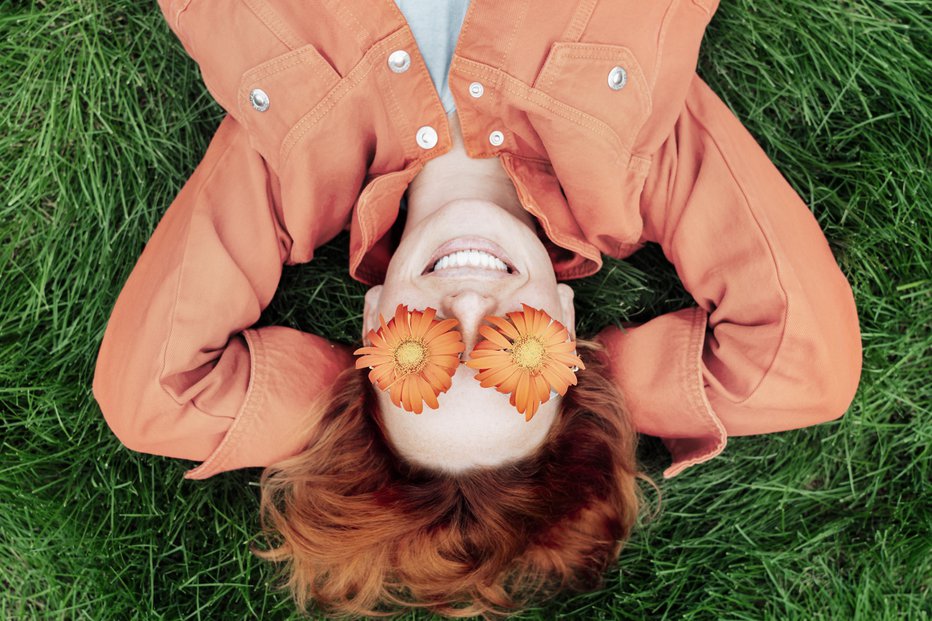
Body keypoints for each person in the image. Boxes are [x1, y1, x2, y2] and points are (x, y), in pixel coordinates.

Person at [92, 0, 863, 617]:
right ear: (563, 326)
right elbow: (807, 366)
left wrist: (344, 414)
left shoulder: (297, 171)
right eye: (515, 351)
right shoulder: (626, 160)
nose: (467, 302)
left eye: (416, 356)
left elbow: (152, 394)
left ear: (369, 331)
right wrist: (598, 394)